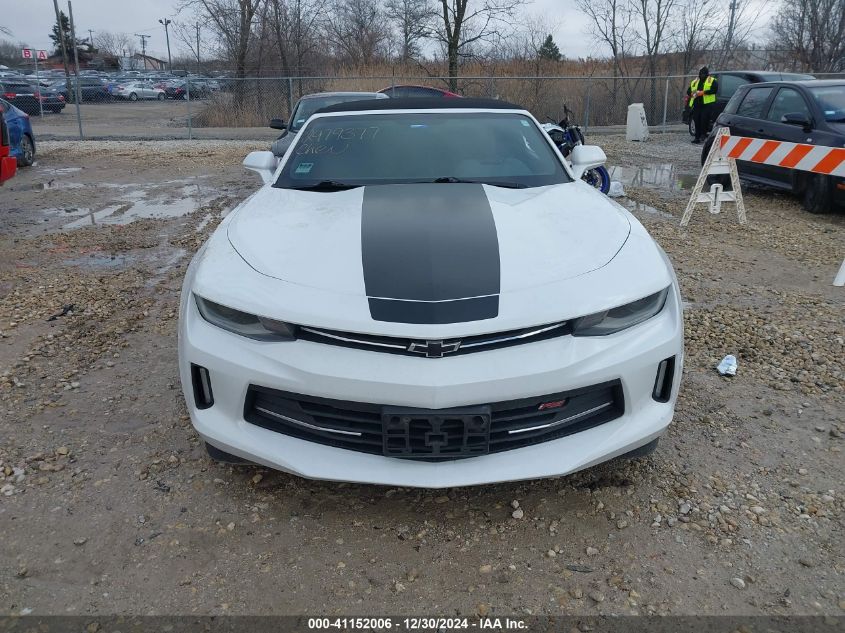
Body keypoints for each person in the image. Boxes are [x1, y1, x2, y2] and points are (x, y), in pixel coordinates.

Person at [687, 66, 718, 144]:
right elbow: (688, 91)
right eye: (700, 74)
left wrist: (703, 92)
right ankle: (697, 138)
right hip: (697, 105)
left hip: (707, 105)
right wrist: (693, 94)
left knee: (704, 121)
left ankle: (703, 135)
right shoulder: (695, 81)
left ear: (707, 74)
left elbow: (714, 90)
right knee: (696, 121)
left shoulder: (712, 80)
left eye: (703, 74)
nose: (702, 76)